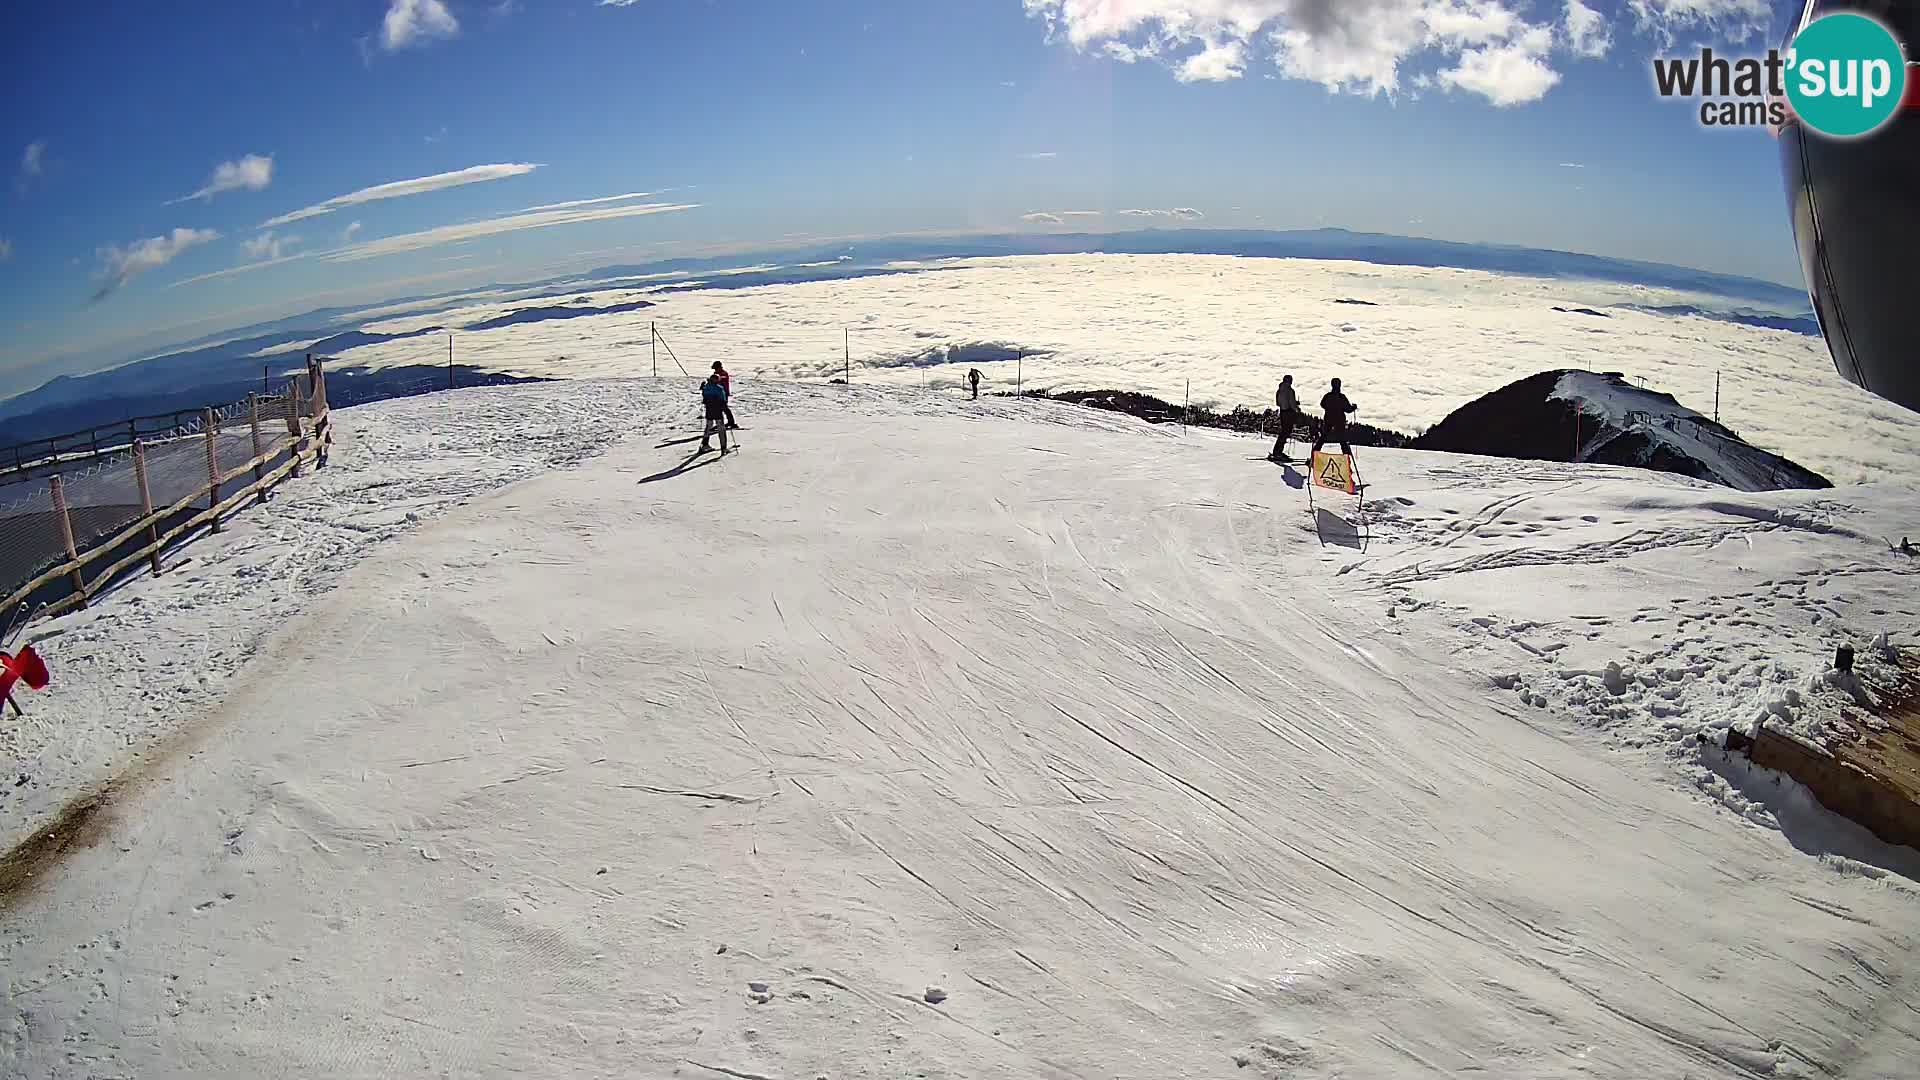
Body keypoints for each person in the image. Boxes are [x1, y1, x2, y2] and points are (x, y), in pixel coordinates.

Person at [1312, 377, 1357, 458]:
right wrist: (1354, 407)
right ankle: (1347, 457)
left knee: (1323, 437)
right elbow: (1348, 409)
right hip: (1339, 420)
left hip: (1328, 418)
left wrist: (1329, 408)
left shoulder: (1328, 396)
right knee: (1342, 439)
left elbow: (1322, 404)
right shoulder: (1341, 397)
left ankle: (1314, 454)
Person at [1269, 374, 1300, 462]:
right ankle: (1278, 453)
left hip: (1282, 411)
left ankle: (1277, 451)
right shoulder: (1290, 390)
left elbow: (1278, 403)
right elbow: (1292, 403)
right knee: (1286, 432)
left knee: (1283, 432)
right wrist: (1297, 408)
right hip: (1289, 413)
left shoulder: (1279, 390)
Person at [700, 374, 731, 454]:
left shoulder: (706, 387)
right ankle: (723, 448)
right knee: (721, 428)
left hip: (709, 409)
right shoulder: (719, 388)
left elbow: (704, 397)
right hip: (717, 409)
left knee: (708, 426)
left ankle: (704, 444)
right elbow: (723, 400)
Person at [711, 361, 739, 429]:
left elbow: (721, 379)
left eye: (716, 368)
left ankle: (730, 422)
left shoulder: (723, 373)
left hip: (723, 393)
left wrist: (716, 380)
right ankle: (722, 422)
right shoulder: (716, 373)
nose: (715, 370)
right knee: (720, 409)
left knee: (724, 408)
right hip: (716, 394)